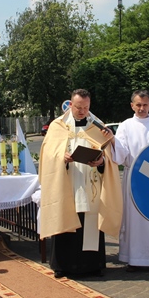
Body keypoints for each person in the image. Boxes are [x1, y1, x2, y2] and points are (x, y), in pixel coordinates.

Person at [39, 89, 122, 278]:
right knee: (65, 219)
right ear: (70, 104)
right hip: (67, 181)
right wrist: (61, 157)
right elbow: (48, 154)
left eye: (86, 107)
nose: (82, 111)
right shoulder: (58, 126)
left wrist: (101, 162)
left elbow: (109, 156)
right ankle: (62, 266)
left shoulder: (98, 126)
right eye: (78, 107)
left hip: (90, 183)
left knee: (89, 221)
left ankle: (92, 266)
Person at [111, 90, 149, 272]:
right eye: (138, 105)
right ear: (132, 105)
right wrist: (112, 141)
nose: (141, 108)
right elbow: (121, 152)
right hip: (134, 177)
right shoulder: (125, 126)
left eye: (145, 105)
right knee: (134, 221)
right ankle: (134, 259)